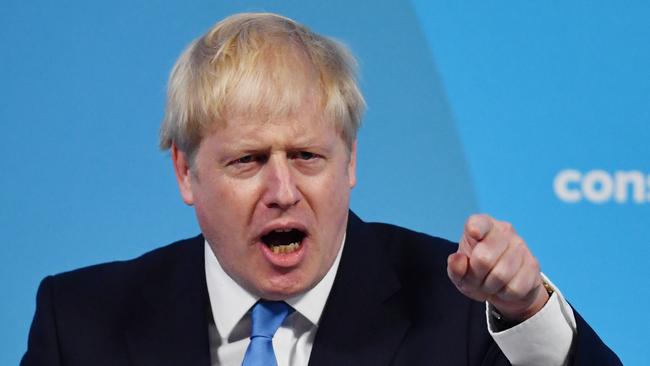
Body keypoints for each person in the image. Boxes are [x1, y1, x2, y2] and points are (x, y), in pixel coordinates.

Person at [22, 12, 621, 366]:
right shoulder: (78, 323)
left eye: (307, 155)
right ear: (185, 171)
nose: (283, 190)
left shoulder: (461, 311)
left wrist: (527, 312)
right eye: (249, 160)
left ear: (350, 161)